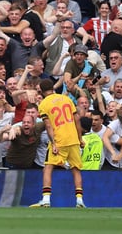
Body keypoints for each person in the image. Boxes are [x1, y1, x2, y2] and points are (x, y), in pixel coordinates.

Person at [31, 79, 86, 208]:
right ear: (52, 88)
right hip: (72, 139)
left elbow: (48, 125)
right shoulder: (66, 99)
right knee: (76, 169)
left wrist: (54, 143)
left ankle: (46, 199)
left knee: (48, 168)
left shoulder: (44, 104)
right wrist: (80, 139)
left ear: (42, 91)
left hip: (60, 140)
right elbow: (77, 119)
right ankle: (79, 201)